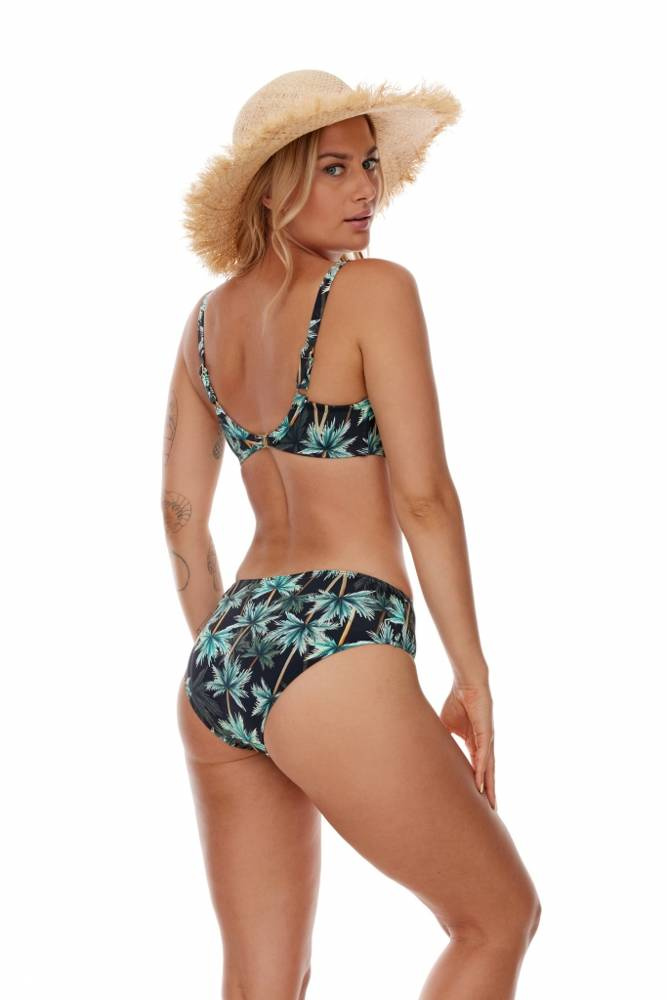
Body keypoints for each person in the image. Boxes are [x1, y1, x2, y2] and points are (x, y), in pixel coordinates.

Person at [163, 69, 541, 999]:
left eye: (368, 165)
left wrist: (237, 656)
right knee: (496, 919)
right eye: (333, 168)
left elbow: (180, 511)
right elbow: (424, 499)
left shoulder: (205, 324)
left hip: (225, 653)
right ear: (271, 189)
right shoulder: (372, 290)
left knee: (262, 982)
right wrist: (472, 676)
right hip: (338, 635)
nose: (365, 188)